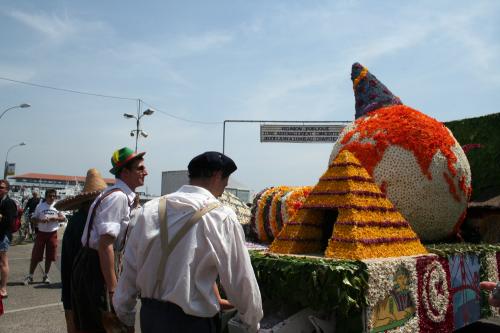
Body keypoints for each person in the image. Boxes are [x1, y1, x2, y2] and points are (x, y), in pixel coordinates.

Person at [113, 151, 263, 333]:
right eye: (226, 179)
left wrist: (125, 315)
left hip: (150, 319)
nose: (226, 185)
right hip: (193, 324)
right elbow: (241, 280)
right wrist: (251, 322)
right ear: (216, 175)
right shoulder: (220, 216)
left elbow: (129, 269)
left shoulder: (148, 210)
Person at [72, 147, 147, 332]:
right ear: (124, 172)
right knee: (107, 322)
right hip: (97, 266)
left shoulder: (115, 194)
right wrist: (113, 288)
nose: (146, 172)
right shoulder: (118, 198)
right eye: (140, 168)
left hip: (92, 263)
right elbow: (105, 245)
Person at [57, 169, 108, 333]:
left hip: (79, 289)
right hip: (90, 290)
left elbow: (66, 266)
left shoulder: (76, 221)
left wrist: (67, 302)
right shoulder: (88, 221)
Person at [23, 189, 65, 284]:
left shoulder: (57, 206)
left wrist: (56, 218)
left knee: (50, 256)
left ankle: (45, 275)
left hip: (52, 233)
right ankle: (30, 275)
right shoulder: (40, 206)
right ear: (46, 196)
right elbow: (33, 218)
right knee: (36, 255)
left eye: (54, 196)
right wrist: (40, 221)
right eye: (50, 196)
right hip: (41, 233)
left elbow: (63, 218)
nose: (52, 198)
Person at [0, 180, 18, 298]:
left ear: (7, 189)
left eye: (1, 187)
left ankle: (3, 288)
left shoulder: (9, 203)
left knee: (3, 262)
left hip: (3, 235)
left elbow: (9, 222)